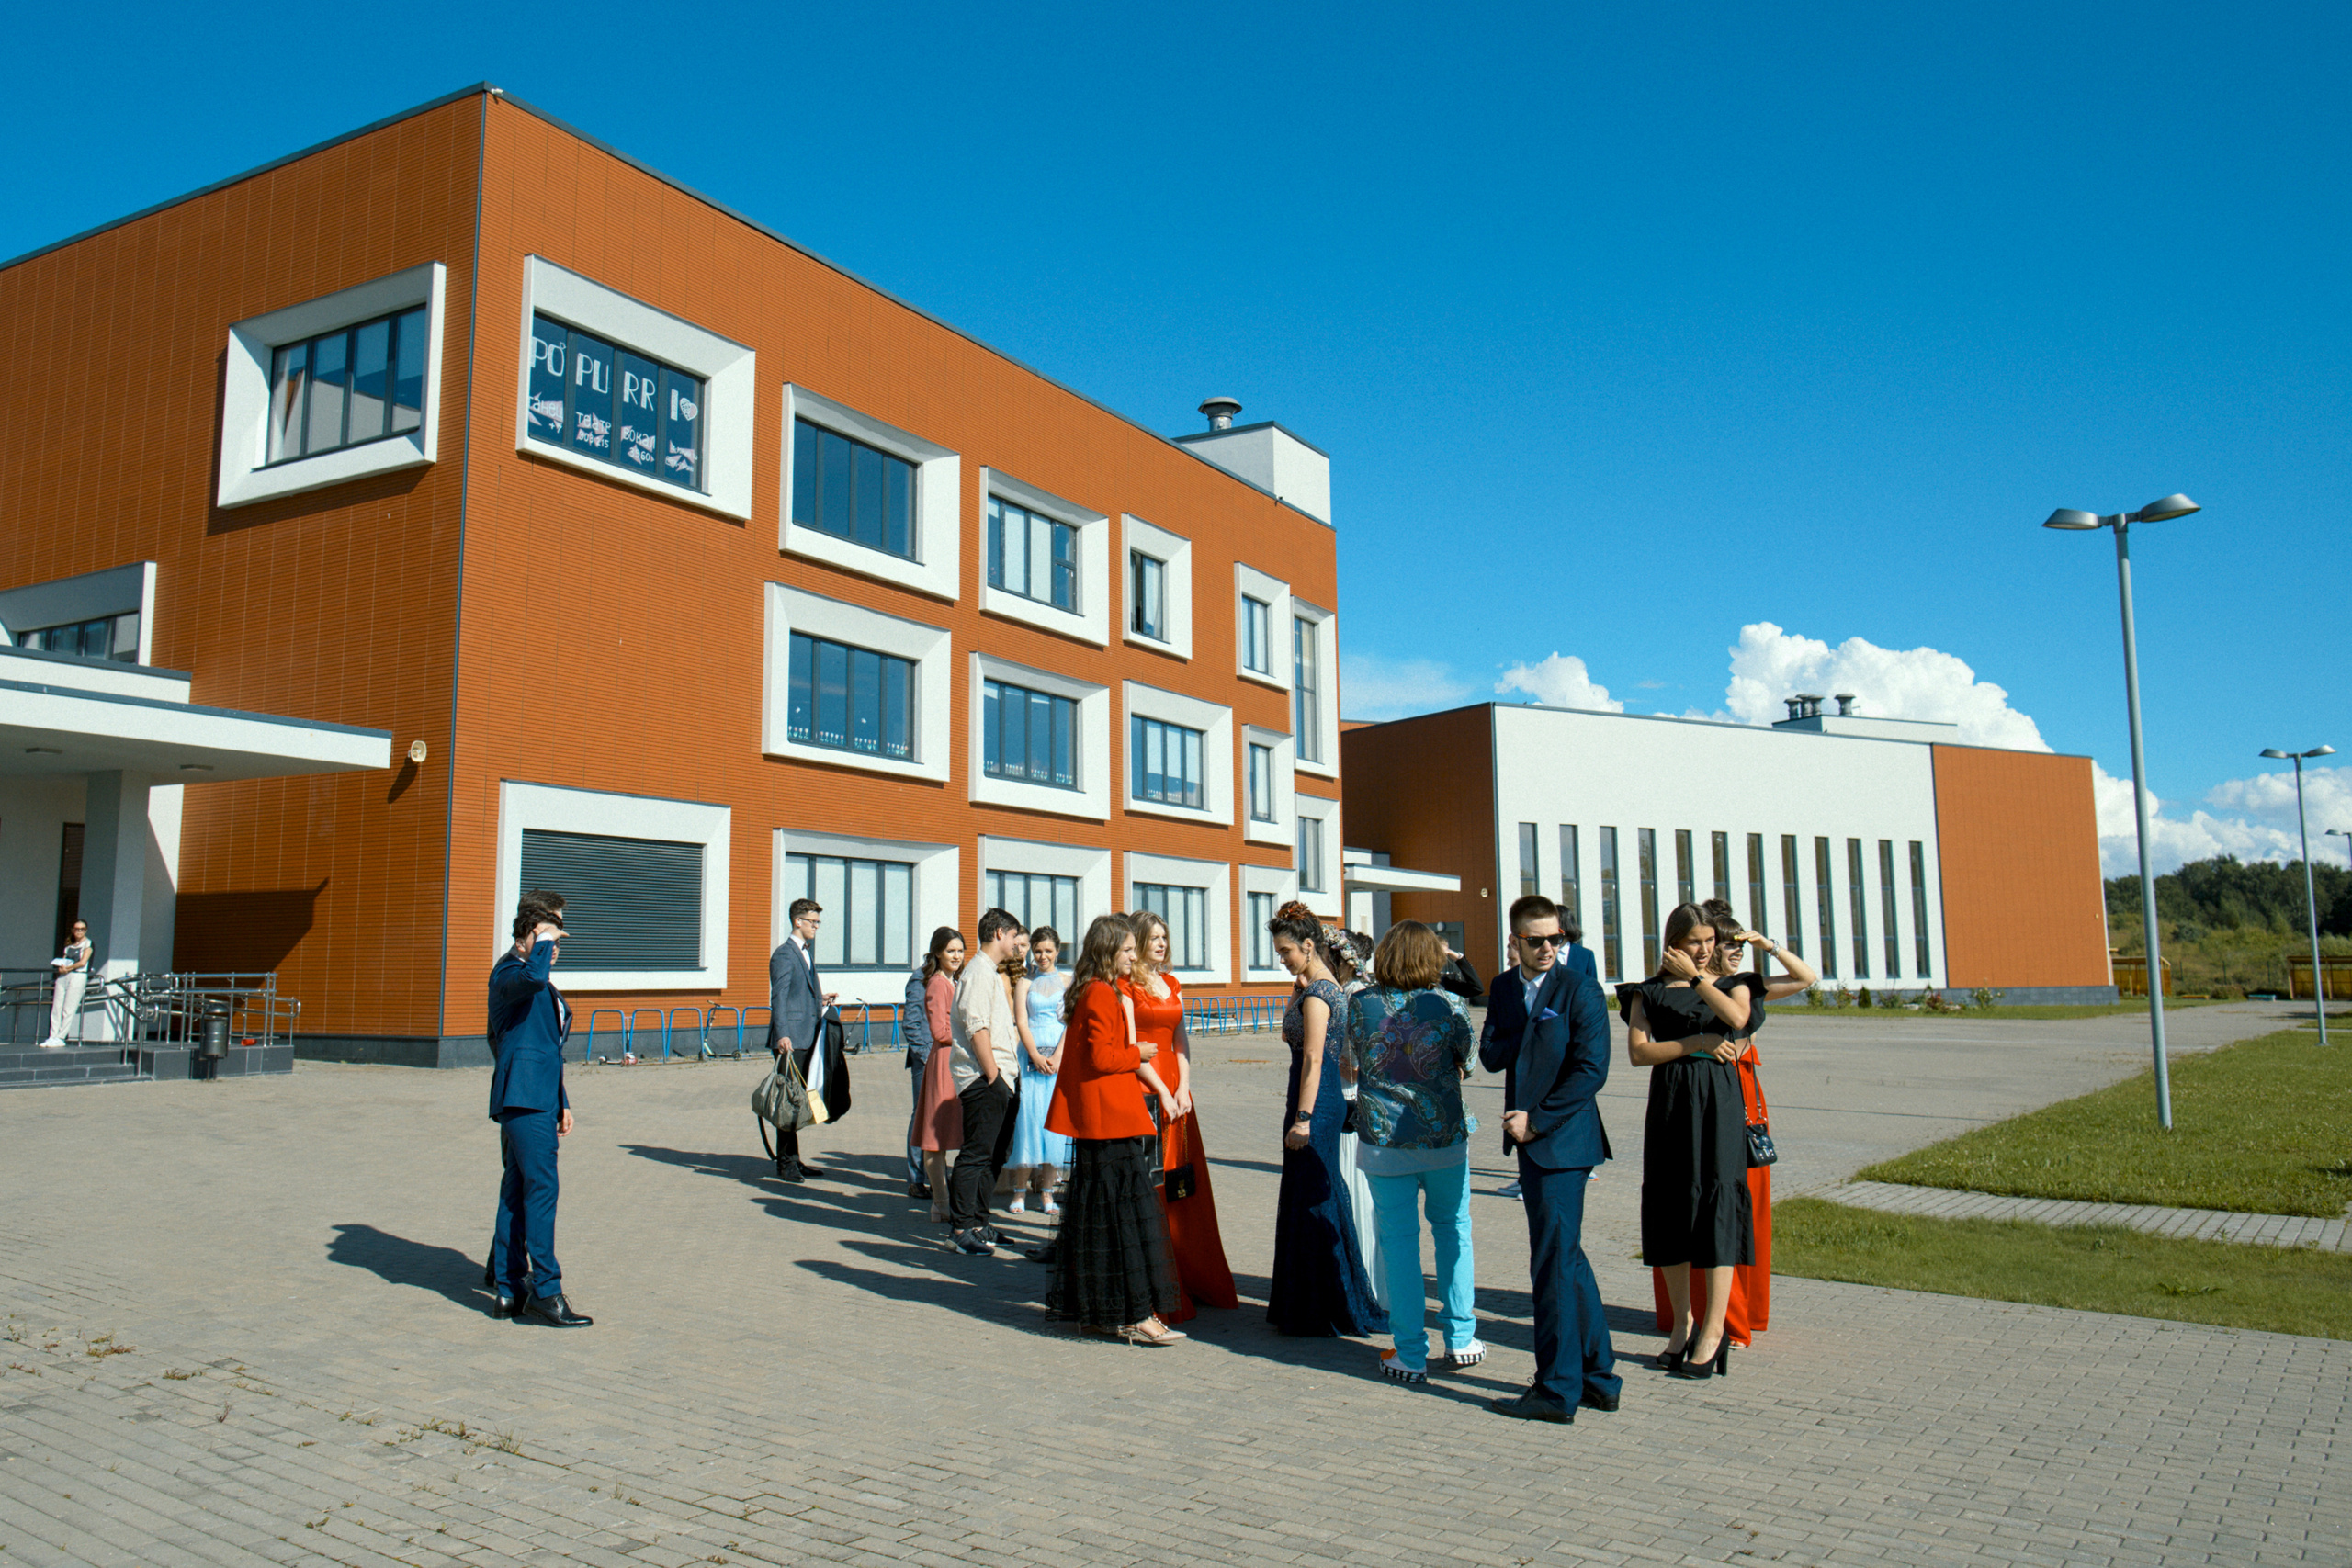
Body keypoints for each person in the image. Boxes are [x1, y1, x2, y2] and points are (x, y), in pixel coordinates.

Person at [1649, 897, 1817, 1348]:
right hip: (1691, 1097)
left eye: (1726, 941)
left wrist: (1768, 944)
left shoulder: (1742, 984)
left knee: (1733, 1209)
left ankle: (1730, 1323)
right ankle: (1691, 1321)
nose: (1731, 949)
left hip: (1737, 1102)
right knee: (1686, 1206)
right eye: (1727, 942)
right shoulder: (1685, 988)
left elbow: (1805, 979)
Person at [1479, 893, 1616, 1421]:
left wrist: (1535, 1121)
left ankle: (1558, 1389)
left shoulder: (1580, 988)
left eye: (1555, 939)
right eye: (1535, 941)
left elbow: (1591, 1070)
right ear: (1514, 942)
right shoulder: (1505, 988)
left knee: (1552, 1263)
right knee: (1568, 1257)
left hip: (1563, 1143)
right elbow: (1492, 1057)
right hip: (1533, 1145)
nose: (1547, 949)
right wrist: (1519, 1009)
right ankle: (1598, 1375)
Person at [1621, 902, 1755, 1381]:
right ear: (1673, 942)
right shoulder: (1648, 991)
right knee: (1672, 1207)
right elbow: (1639, 1053)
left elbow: (1738, 1020)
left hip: (1717, 1105)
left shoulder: (1728, 984)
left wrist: (1699, 980)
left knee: (1717, 1205)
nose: (1704, 949)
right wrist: (1696, 1044)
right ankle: (1683, 1324)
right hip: (1671, 1103)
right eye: (1694, 941)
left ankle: (1714, 1332)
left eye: (1709, 941)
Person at [1345, 920, 1480, 1385]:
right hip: (1443, 1137)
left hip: (1384, 1141)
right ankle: (1461, 1338)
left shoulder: (1359, 1004)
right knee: (1453, 1231)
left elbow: (1352, 1060)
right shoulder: (1450, 1003)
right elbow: (1469, 1060)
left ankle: (1410, 1352)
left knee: (1399, 1243)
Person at [1045, 914, 1186, 1345]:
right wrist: (1138, 1050)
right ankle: (1134, 1313)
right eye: (1126, 949)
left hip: (1097, 1119)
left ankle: (1104, 1310)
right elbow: (1104, 1059)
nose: (1133, 955)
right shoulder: (1102, 993)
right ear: (1109, 951)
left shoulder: (1091, 990)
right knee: (1125, 1219)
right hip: (1110, 1117)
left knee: (1096, 1219)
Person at [1266, 902, 1388, 1338]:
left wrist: (1302, 1118)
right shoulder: (1318, 987)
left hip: (1315, 1102)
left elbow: (1315, 1058)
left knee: (1314, 1196)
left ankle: (1323, 1301)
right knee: (1314, 1192)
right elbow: (1290, 1036)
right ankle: (1317, 1297)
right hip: (1316, 1098)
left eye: (1286, 951)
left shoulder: (1320, 994)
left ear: (1309, 944)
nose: (1283, 959)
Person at [1122, 909, 1238, 1323]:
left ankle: (1194, 1271)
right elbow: (1131, 1046)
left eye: (1163, 937)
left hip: (1177, 1090)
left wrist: (1184, 1086)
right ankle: (1161, 1282)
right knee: (1156, 1185)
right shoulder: (1125, 986)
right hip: (1146, 1091)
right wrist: (1161, 1092)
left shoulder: (1171, 983)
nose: (1161, 943)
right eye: (1153, 937)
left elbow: (1182, 1037)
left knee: (1183, 1186)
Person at [486, 890, 590, 1327]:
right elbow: (529, 984)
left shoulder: (530, 974)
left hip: (537, 1096)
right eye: (553, 937)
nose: (557, 948)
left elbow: (547, 1046)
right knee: (542, 1189)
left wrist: (561, 1100)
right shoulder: (511, 972)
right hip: (524, 1098)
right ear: (532, 932)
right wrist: (543, 942)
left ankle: (510, 1289)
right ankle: (546, 1291)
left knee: (516, 1190)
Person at [947, 908, 1025, 1256]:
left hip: (1002, 1076)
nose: (1016, 944)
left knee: (996, 1153)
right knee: (977, 1153)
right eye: (1012, 936)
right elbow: (976, 1027)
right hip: (984, 1079)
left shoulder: (991, 973)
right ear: (998, 934)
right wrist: (993, 1076)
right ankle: (961, 1228)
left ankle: (979, 1222)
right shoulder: (978, 972)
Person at [1323, 925, 1387, 1309]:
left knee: (1355, 1190)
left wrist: (1335, 1062)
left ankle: (1361, 1281)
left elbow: (1362, 1061)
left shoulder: (1355, 997)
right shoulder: (1349, 993)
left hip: (1351, 1101)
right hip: (1347, 1098)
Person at [767, 897, 837, 1183]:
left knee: (796, 1100)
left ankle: (794, 1159)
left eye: (818, 922)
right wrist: (782, 1033)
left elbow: (798, 992)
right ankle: (786, 1164)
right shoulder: (784, 955)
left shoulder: (805, 953)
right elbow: (779, 996)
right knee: (788, 1101)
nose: (816, 927)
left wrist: (818, 999)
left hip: (806, 1035)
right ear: (798, 921)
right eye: (813, 922)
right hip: (791, 1039)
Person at [1005, 927, 1072, 1215]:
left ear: (1057, 951)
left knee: (1054, 1128)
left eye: (1048, 950)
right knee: (1028, 1123)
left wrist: (1058, 1055)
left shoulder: (1069, 982)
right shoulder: (1024, 982)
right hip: (1031, 1060)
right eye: (1038, 950)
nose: (1042, 956)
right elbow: (1021, 1021)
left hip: (1058, 1061)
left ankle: (1047, 1192)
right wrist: (1033, 1054)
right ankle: (1020, 1191)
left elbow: (1071, 1022)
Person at [912, 928, 967, 1224]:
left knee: (948, 1135)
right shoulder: (937, 983)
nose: (957, 956)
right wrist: (969, 1035)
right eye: (951, 951)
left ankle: (946, 1201)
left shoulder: (952, 982)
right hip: (944, 1064)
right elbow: (939, 1031)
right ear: (938, 953)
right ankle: (940, 1203)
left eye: (960, 950)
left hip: (954, 1062)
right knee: (936, 1139)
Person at [40, 919, 92, 1048]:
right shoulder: (69, 946)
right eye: (76, 929)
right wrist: (62, 969)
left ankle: (61, 1037)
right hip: (64, 977)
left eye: (82, 929)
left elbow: (82, 962)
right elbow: (63, 962)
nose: (79, 931)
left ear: (85, 930)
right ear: (73, 930)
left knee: (68, 1008)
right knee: (57, 1007)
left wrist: (67, 968)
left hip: (77, 976)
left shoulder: (88, 944)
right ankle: (53, 1036)